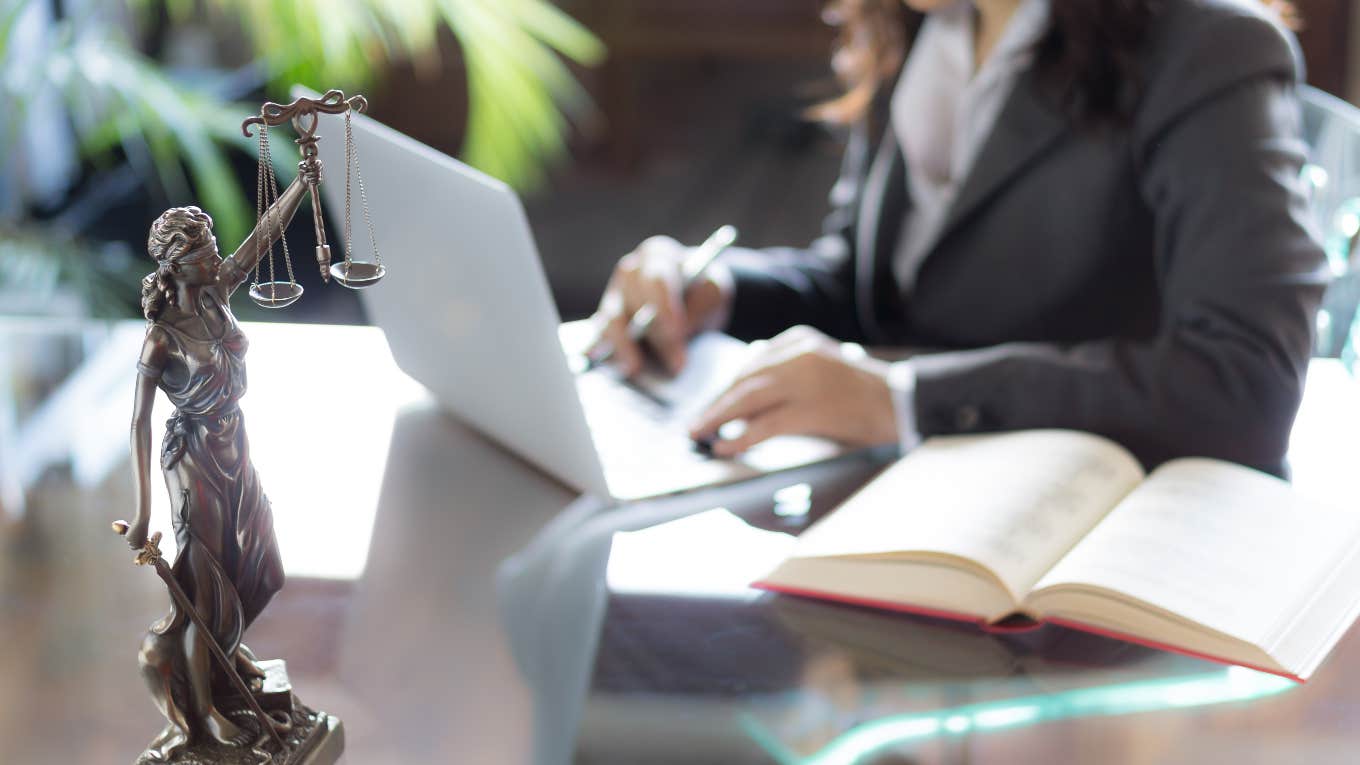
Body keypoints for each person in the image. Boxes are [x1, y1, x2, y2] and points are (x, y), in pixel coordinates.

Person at [588, 0, 1327, 477]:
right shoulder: (924, 24)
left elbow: (1246, 386)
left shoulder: (1209, 45)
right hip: (909, 498)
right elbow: (876, 288)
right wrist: (718, 289)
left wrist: (902, 399)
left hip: (1094, 548)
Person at [124, 163, 316, 758]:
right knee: (206, 593)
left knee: (262, 569)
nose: (217, 256)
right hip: (194, 459)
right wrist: (141, 513)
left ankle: (227, 659)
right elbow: (137, 421)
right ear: (177, 265)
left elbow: (260, 241)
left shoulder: (216, 294)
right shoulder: (162, 336)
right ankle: (205, 714)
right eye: (205, 251)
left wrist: (302, 185)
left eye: (212, 249)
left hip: (238, 446)